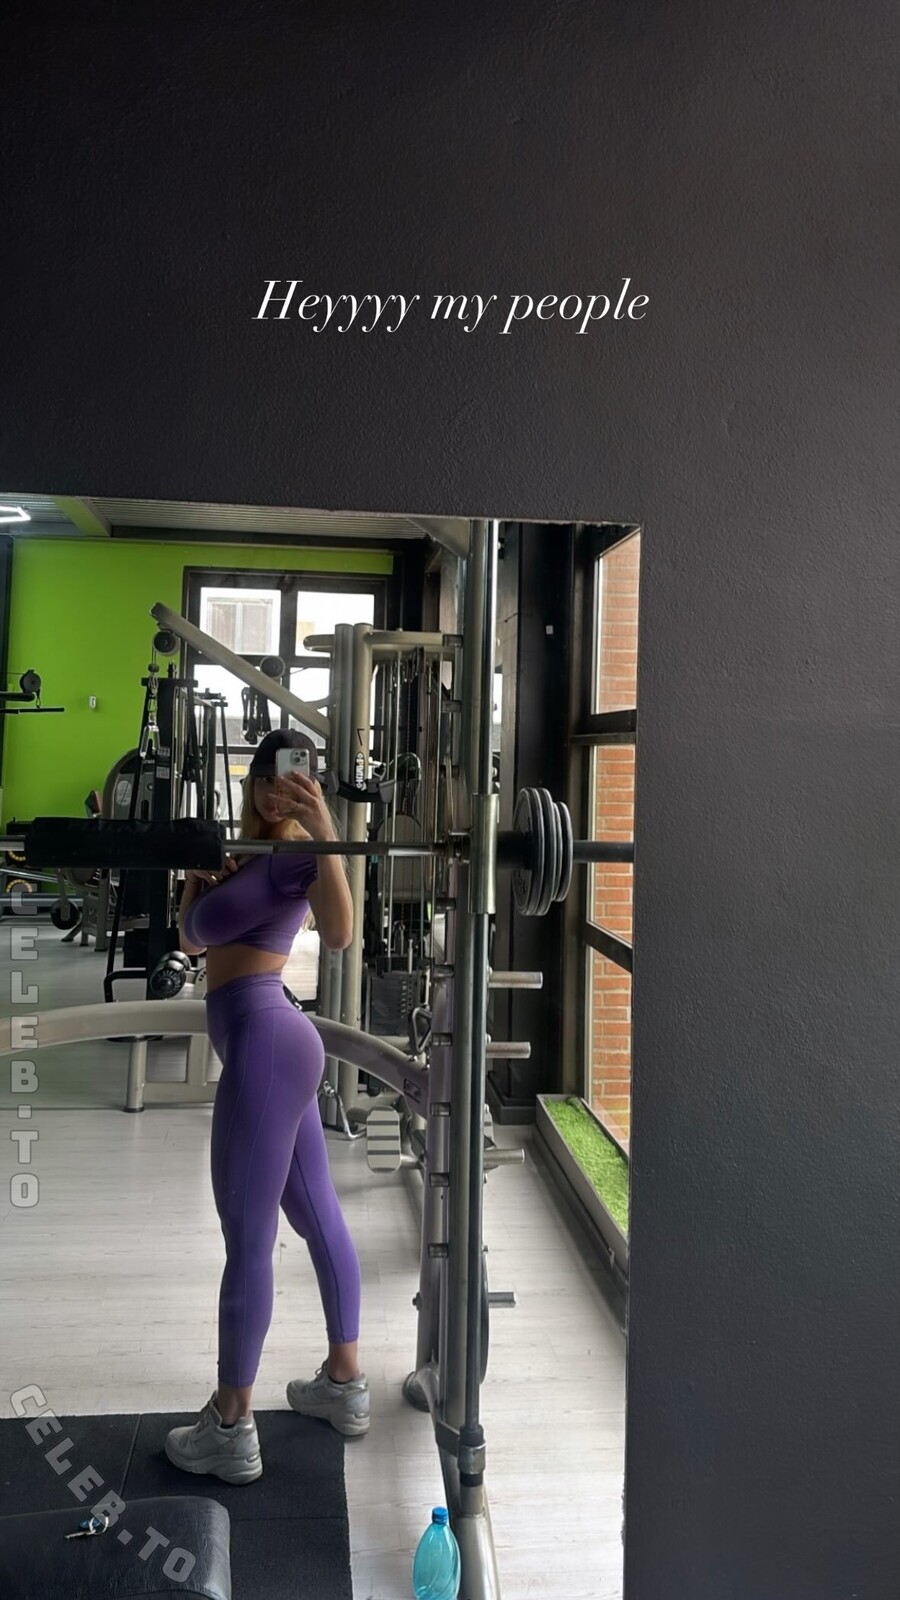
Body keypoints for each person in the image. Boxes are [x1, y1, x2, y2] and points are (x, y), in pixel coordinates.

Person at [164, 729, 369, 1485]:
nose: (280, 793)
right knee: (316, 1216)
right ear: (252, 781)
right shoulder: (245, 855)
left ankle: (231, 1423)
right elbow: (191, 942)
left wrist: (325, 828)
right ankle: (344, 1383)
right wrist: (197, 881)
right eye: (271, 779)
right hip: (271, 1044)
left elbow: (340, 933)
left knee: (248, 1240)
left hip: (266, 1041)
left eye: (296, 781)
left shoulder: (299, 855)